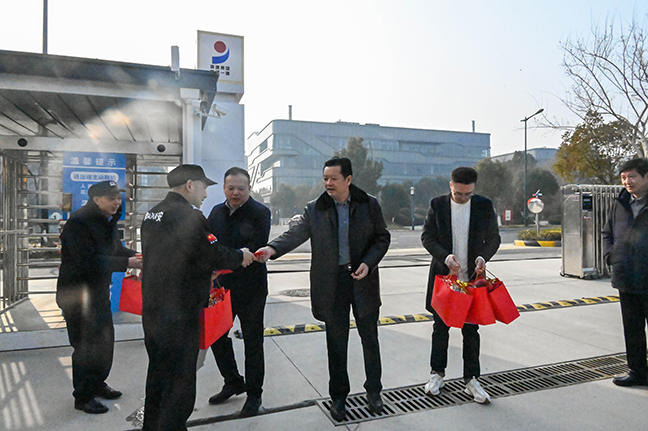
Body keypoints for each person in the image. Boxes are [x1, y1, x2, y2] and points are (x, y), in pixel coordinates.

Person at [256, 157, 390, 422]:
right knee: (336, 344)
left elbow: (382, 237)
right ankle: (338, 397)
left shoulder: (369, 204)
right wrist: (272, 249)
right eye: (325, 178)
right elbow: (295, 234)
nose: (328, 183)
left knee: (370, 339)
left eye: (333, 178)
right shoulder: (315, 208)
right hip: (332, 284)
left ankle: (374, 391)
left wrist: (368, 263)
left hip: (363, 280)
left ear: (348, 179)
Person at [140, 164, 255, 430]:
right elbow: (212, 252)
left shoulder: (153, 213)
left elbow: (178, 256)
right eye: (203, 188)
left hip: (154, 308)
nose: (204, 194)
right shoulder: (188, 215)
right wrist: (241, 256)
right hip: (179, 311)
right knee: (179, 380)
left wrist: (203, 271)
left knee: (158, 373)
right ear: (190, 185)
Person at [56, 180, 142, 414]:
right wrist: (126, 262)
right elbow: (87, 260)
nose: (116, 202)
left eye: (118, 197)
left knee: (103, 343)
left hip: (98, 293)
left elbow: (114, 249)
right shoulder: (79, 223)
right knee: (85, 346)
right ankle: (83, 397)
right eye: (111, 198)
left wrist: (136, 256)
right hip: (76, 295)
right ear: (96, 200)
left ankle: (97, 383)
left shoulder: (108, 220)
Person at [421, 166, 500, 404]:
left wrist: (483, 257)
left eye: (468, 194)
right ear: (451, 186)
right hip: (445, 279)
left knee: (471, 331)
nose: (463, 198)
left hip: (472, 279)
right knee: (440, 328)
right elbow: (427, 237)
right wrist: (445, 257)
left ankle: (472, 379)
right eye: (458, 193)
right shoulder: (438, 205)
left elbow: (494, 238)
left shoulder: (483, 206)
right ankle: (437, 374)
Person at [206, 167, 271, 417]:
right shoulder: (216, 212)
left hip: (252, 288)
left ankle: (254, 394)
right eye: (231, 188)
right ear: (223, 188)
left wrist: (225, 256)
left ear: (249, 189)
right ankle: (233, 381)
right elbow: (209, 245)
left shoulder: (260, 212)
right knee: (216, 336)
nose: (235, 193)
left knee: (253, 341)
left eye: (241, 189)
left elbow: (253, 249)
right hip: (222, 287)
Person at [602, 158, 648, 387]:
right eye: (623, 177)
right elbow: (607, 232)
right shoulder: (620, 203)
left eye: (632, 176)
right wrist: (611, 255)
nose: (627, 181)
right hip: (626, 276)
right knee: (632, 329)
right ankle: (637, 371)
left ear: (646, 177)